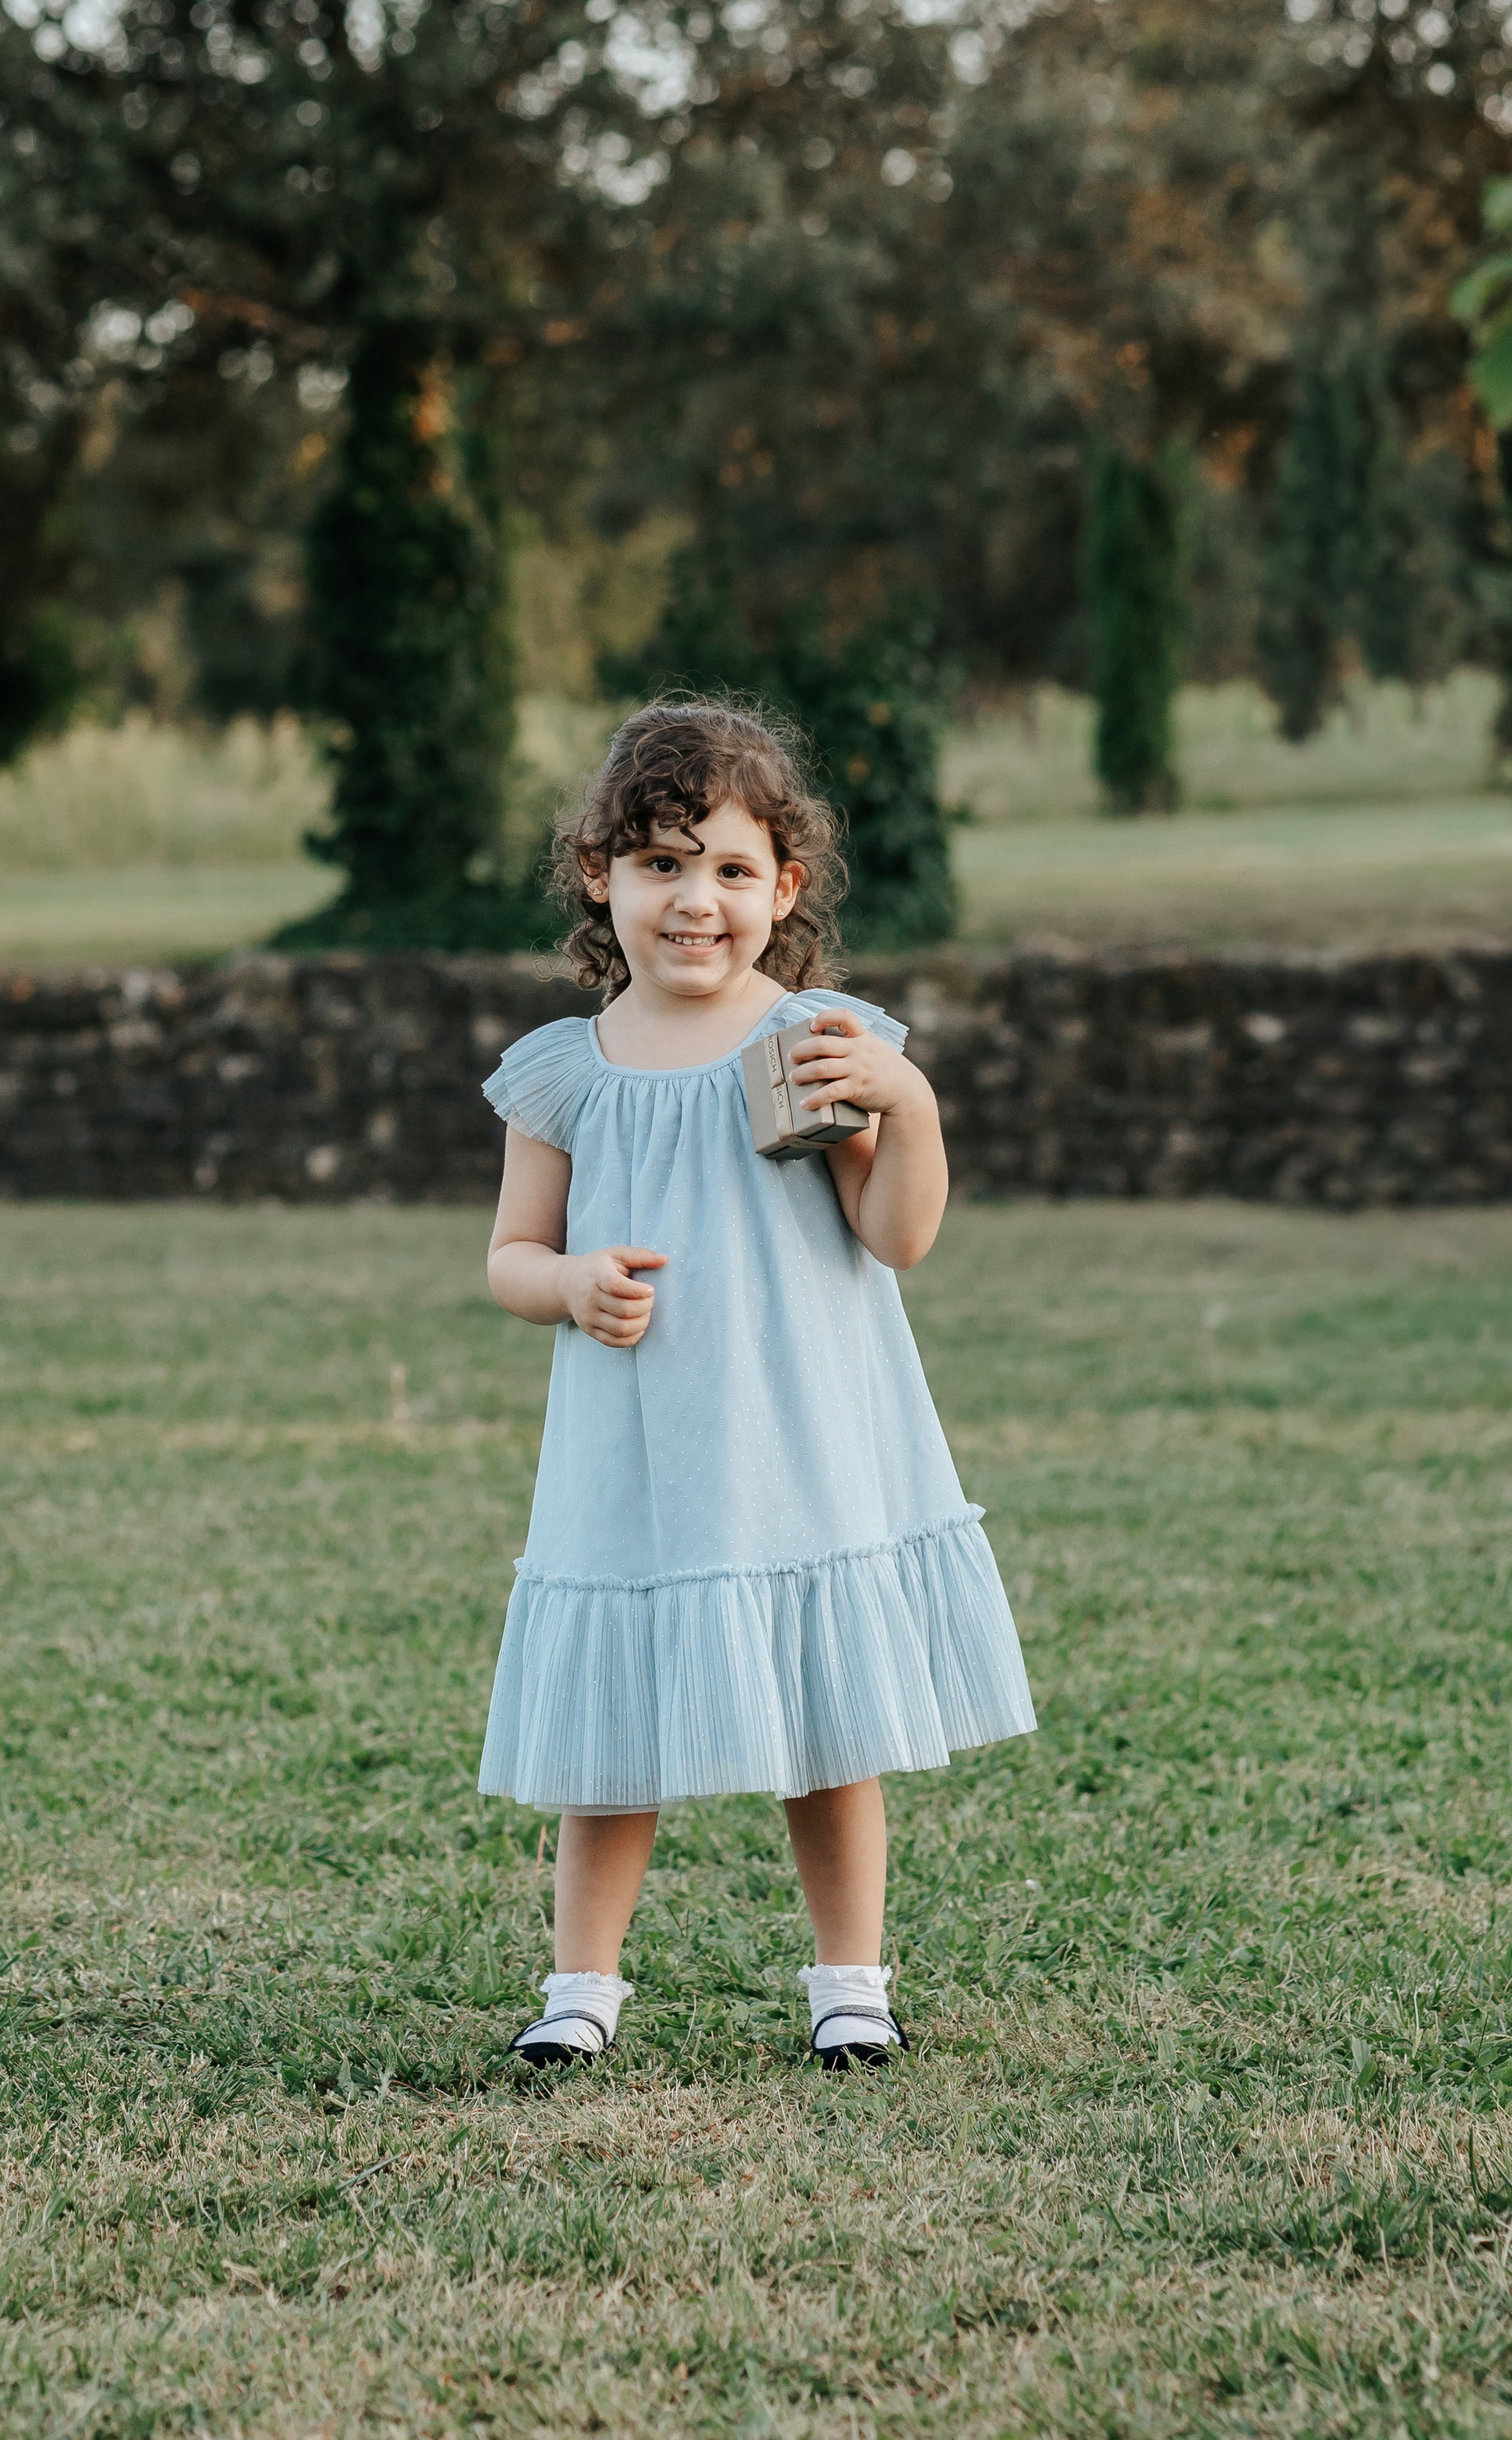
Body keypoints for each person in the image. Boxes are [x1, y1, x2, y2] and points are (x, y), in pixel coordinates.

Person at [478, 700, 1035, 2071]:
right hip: (636, 1446)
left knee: (826, 1729)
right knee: (616, 1730)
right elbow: (510, 1256)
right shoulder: (567, 1073)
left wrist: (912, 1103)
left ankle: (851, 1984)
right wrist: (571, 1281)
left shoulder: (814, 1043)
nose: (696, 901)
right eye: (661, 864)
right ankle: (580, 1992)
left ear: (783, 889)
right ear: (600, 876)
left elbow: (896, 1236)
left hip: (795, 1434)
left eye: (731, 869)